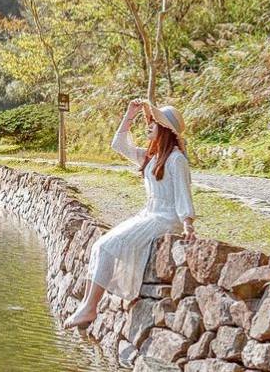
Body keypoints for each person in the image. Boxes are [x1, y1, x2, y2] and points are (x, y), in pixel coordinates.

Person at [64, 98, 196, 329]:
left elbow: (183, 194)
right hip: (149, 213)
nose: (149, 126)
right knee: (99, 245)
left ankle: (90, 308)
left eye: (153, 123)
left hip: (165, 218)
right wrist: (129, 114)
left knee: (107, 247)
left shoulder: (176, 160)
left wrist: (188, 224)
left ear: (164, 129)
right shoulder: (150, 157)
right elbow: (118, 144)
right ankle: (86, 306)